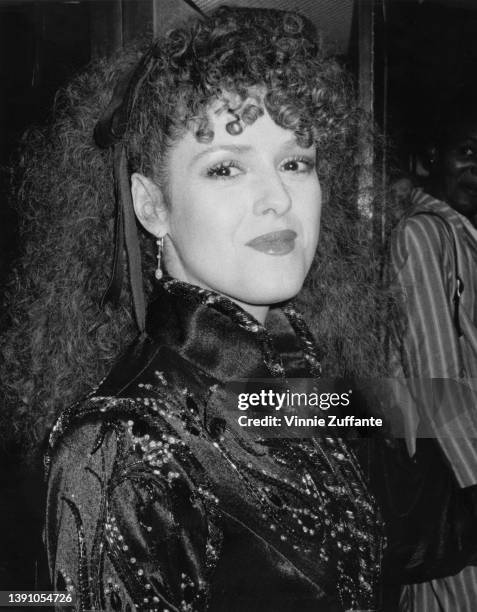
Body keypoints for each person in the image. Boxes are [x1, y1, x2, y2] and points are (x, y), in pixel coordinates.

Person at [3, 7, 477, 612]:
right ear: (152, 205)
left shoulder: (299, 392)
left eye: (295, 162)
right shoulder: (124, 446)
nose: (277, 197)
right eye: (226, 167)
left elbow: (427, 531)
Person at [390, 93, 477, 611]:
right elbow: (437, 393)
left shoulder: (464, 240)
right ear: (426, 161)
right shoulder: (423, 236)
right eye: (468, 152)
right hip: (459, 505)